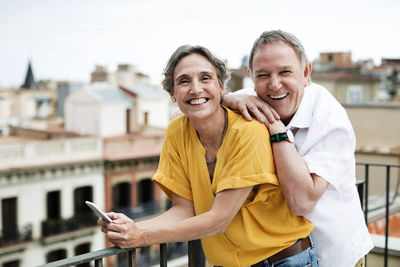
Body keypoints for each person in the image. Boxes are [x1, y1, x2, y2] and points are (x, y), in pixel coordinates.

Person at [98, 45, 318, 266]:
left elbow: (219, 220)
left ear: (221, 87)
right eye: (184, 81)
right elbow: (184, 210)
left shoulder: (248, 132)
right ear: (172, 94)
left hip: (285, 260)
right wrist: (131, 227)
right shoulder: (176, 132)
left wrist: (141, 237)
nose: (195, 89)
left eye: (205, 78)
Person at [223, 30, 373, 267]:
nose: (274, 84)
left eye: (285, 72)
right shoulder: (251, 97)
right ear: (252, 77)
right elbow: (181, 113)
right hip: (279, 256)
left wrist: (275, 126)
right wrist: (227, 99)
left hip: (333, 257)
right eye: (263, 75)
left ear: (305, 73)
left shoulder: (329, 118)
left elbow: (302, 201)